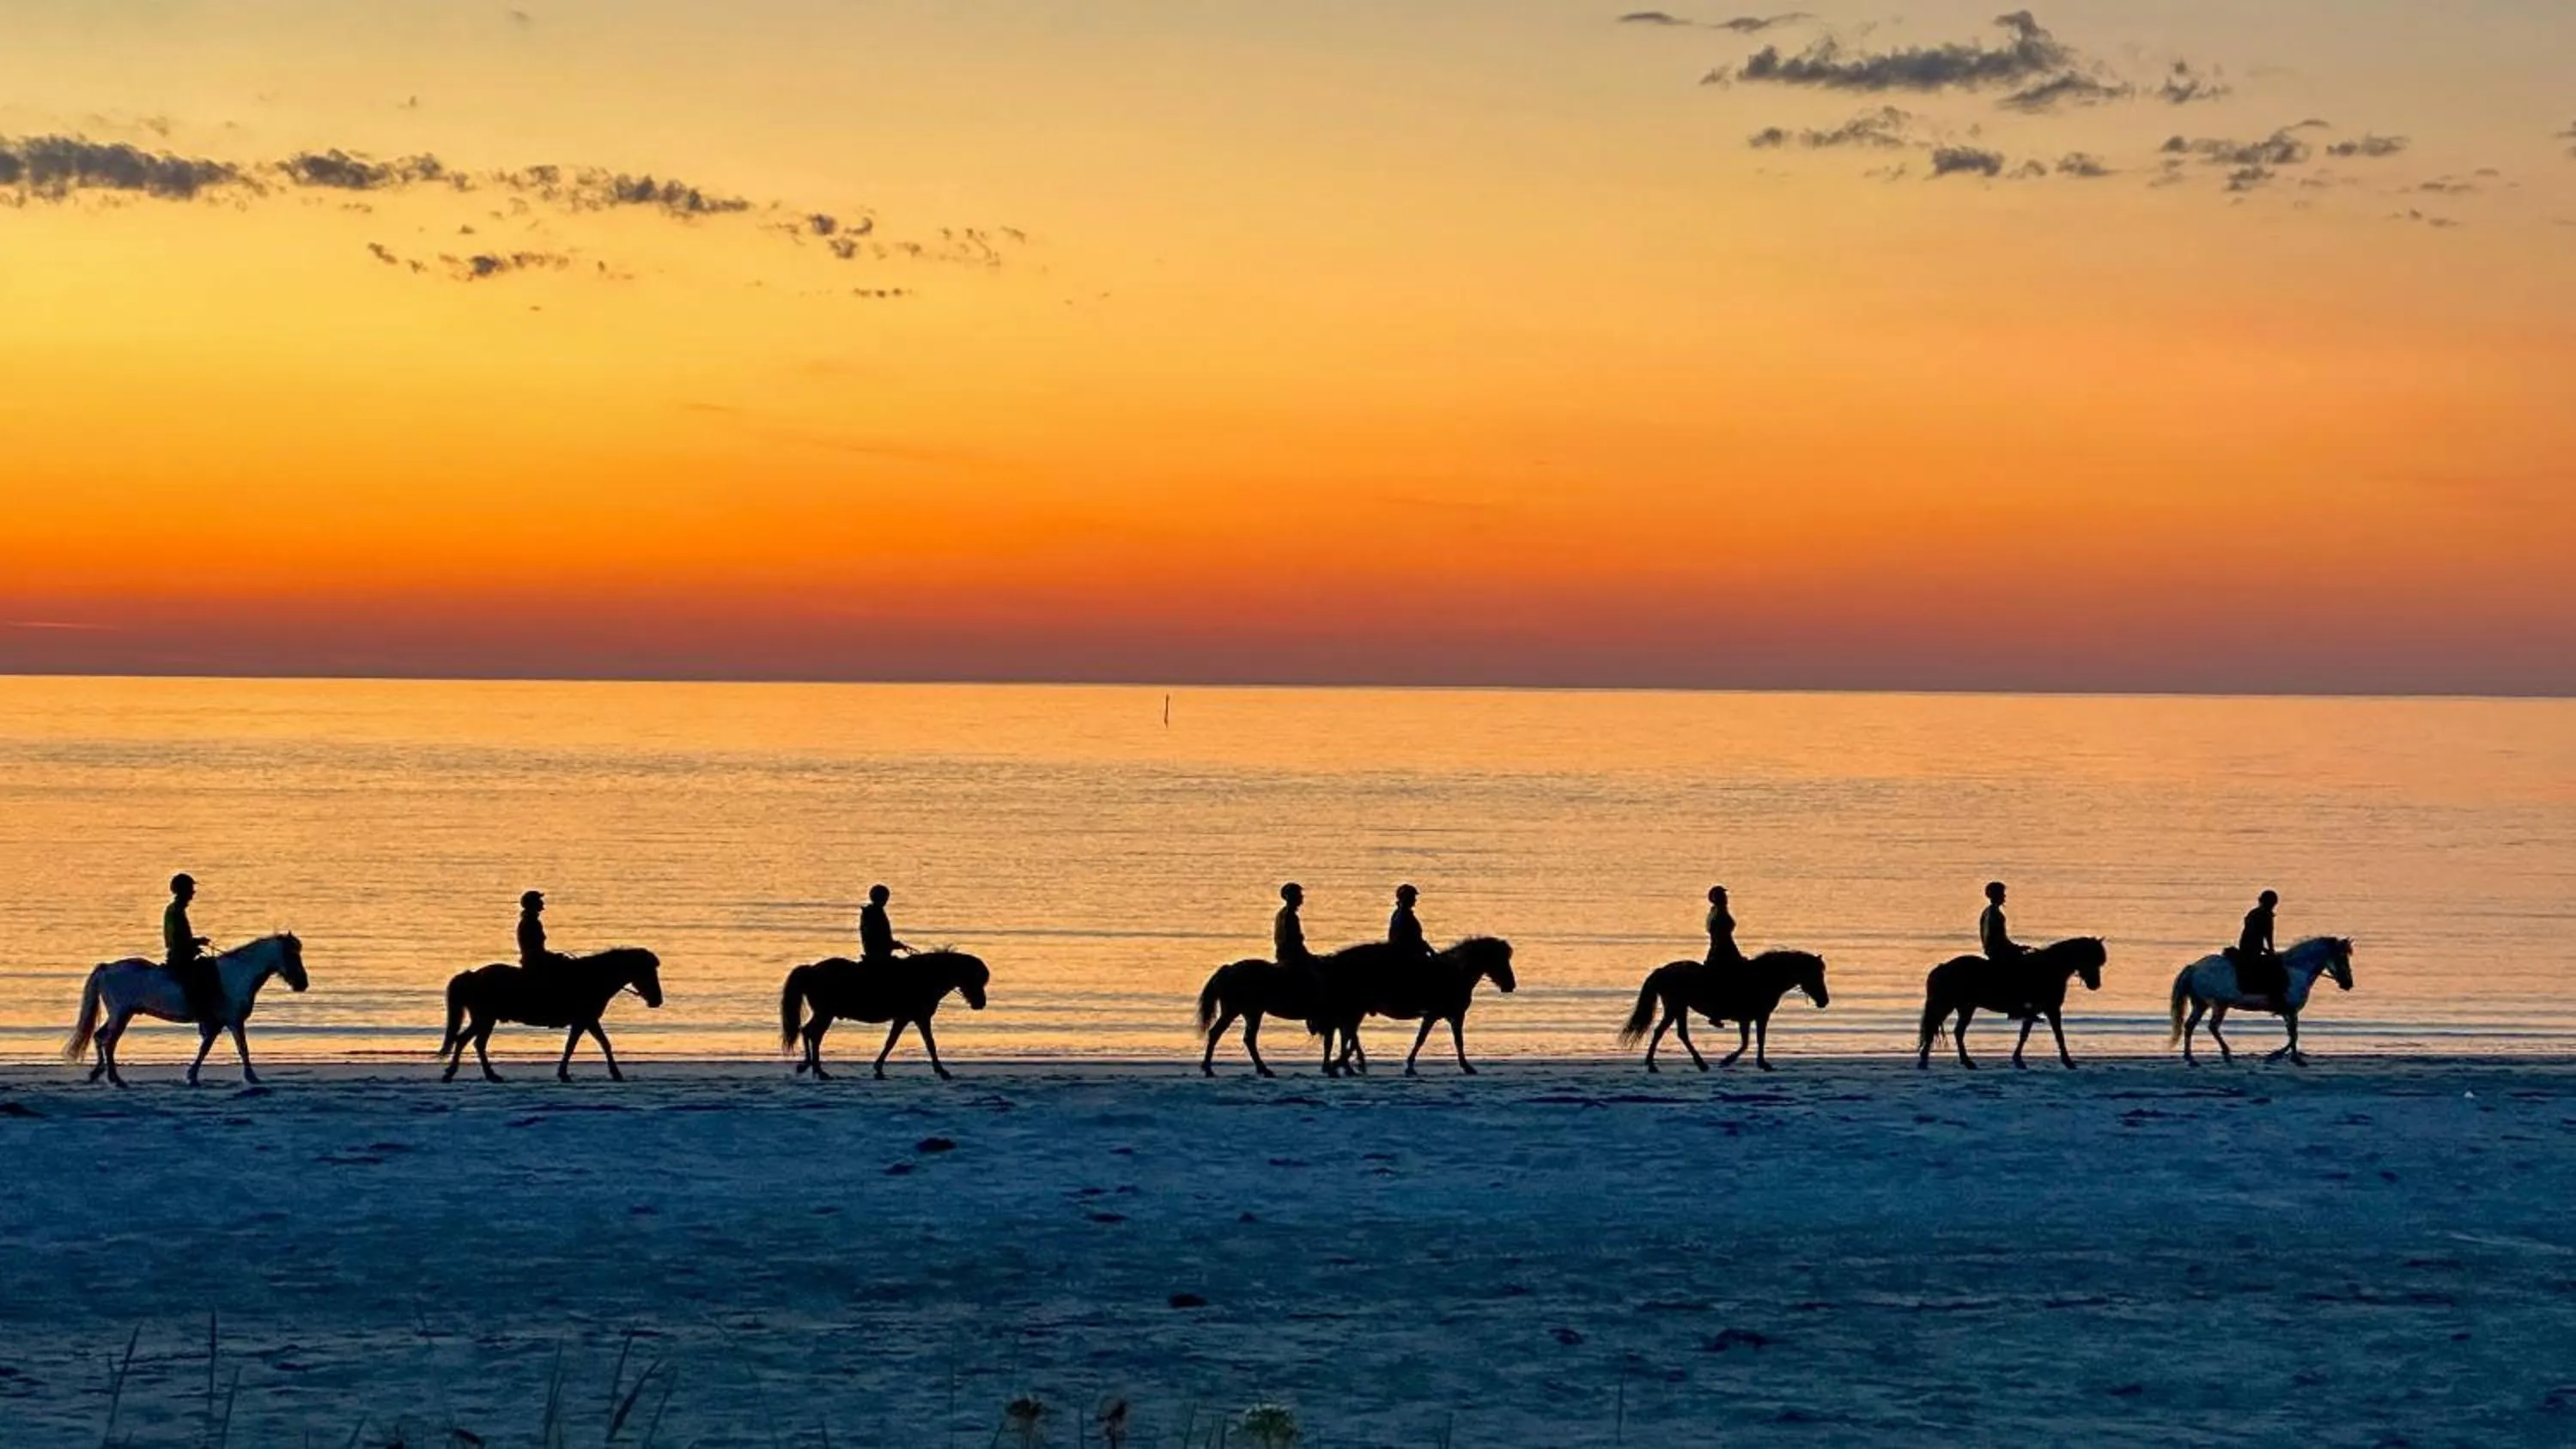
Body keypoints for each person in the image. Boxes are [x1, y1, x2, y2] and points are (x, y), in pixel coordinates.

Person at [162, 873, 216, 1021]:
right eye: (191, 890)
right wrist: (196, 943)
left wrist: (195, 943)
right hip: (180, 957)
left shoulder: (174, 909)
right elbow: (177, 940)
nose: (193, 893)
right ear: (183, 891)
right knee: (203, 977)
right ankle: (197, 1010)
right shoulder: (176, 911)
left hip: (182, 953)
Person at [2231, 888, 2285, 1014]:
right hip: (2252, 948)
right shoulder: (2265, 915)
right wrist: (2270, 952)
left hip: (2247, 946)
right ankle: (2274, 998)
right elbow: (2268, 936)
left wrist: (2267, 949)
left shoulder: (2254, 913)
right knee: (2275, 970)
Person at [517, 889, 573, 978]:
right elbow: (535, 950)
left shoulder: (530, 921)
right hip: (535, 962)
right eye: (539, 900)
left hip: (535, 959)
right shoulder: (531, 922)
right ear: (534, 904)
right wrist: (554, 958)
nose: (542, 902)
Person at [860, 883, 908, 967]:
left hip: (876, 954)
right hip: (878, 957)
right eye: (886, 897)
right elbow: (877, 938)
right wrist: (893, 945)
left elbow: (879, 937)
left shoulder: (872, 911)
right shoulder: (875, 913)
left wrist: (894, 944)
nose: (886, 900)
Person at [1979, 881, 2023, 962]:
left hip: (1991, 950)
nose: (2004, 896)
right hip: (1998, 951)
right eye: (2002, 893)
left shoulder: (1987, 911)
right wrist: (2015, 948)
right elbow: (1999, 937)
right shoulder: (1995, 914)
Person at [1704, 885, 1742, 968]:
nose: (1725, 898)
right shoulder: (1720, 912)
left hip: (1721, 946)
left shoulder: (1716, 910)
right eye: (1723, 896)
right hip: (1724, 948)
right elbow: (1721, 935)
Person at [1274, 882, 1310, 967]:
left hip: (1283, 953)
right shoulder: (1289, 915)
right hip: (1292, 956)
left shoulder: (1282, 913)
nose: (1301, 897)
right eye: (1299, 895)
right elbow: (1293, 940)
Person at [1388, 884, 1431, 956]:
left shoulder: (1397, 914)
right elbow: (1413, 939)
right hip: (1409, 955)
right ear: (1408, 898)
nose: (1415, 900)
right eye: (1413, 897)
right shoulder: (1405, 916)